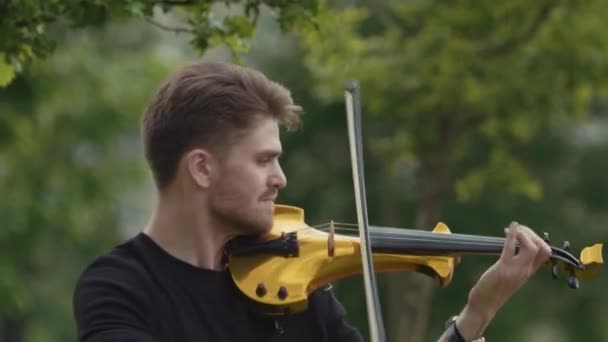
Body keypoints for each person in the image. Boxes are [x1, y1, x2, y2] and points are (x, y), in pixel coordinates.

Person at [72, 61, 552, 342]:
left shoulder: (294, 286)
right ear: (201, 168)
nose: (280, 178)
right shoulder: (118, 288)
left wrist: (475, 316)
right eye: (263, 161)